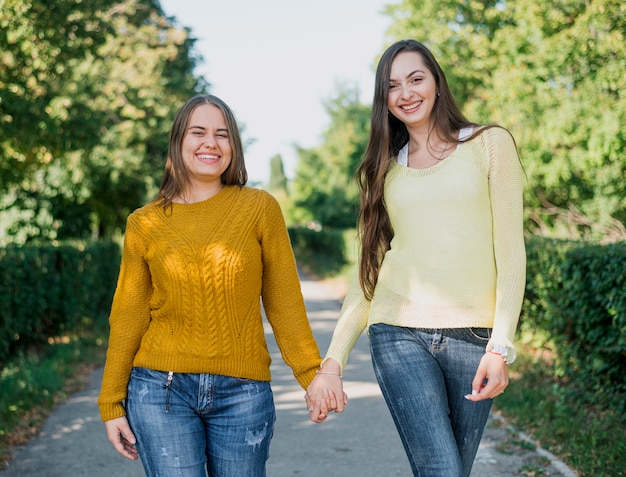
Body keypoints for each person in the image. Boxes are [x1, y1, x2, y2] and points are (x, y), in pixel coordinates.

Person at [305, 39, 526, 477]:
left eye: (416, 79)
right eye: (392, 85)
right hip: (398, 331)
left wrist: (501, 345)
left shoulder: (489, 144)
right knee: (442, 471)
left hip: (474, 339)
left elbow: (511, 251)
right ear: (383, 100)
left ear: (437, 83)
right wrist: (333, 361)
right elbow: (369, 270)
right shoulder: (383, 168)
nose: (406, 93)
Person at [98, 94, 323, 477]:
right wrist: (111, 402)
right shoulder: (144, 223)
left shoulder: (260, 208)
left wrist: (311, 375)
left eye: (222, 134)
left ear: (233, 146)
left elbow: (284, 300)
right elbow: (129, 313)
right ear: (178, 142)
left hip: (244, 393)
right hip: (160, 391)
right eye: (198, 132)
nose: (210, 143)